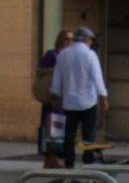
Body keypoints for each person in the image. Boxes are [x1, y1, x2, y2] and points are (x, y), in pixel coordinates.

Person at [50, 26, 108, 169]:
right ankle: (88, 159)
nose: (91, 43)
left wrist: (55, 95)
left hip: (69, 102)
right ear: (86, 39)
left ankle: (69, 161)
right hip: (88, 102)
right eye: (90, 40)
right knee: (88, 132)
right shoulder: (90, 55)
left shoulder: (63, 55)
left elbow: (57, 78)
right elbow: (97, 78)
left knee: (69, 134)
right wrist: (104, 97)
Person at [38, 29, 73, 169]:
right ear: (60, 39)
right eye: (67, 38)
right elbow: (42, 72)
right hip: (53, 98)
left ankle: (54, 158)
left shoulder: (68, 56)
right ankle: (49, 158)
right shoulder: (51, 55)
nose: (69, 42)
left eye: (72, 39)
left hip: (63, 99)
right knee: (51, 128)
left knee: (58, 128)